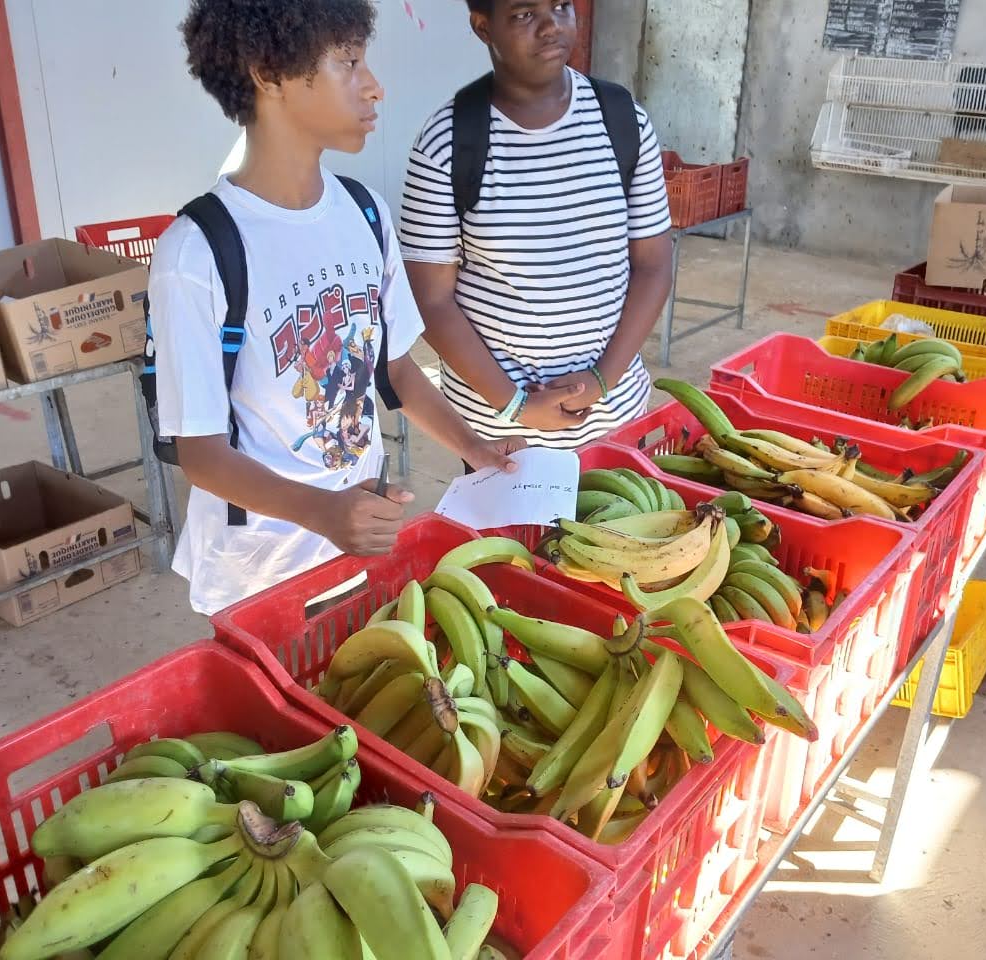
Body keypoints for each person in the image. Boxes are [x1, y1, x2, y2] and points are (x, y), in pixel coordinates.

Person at [149, 0, 522, 615]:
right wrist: (323, 512)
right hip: (259, 572)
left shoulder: (365, 213)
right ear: (268, 74)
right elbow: (202, 454)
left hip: (359, 542)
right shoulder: (197, 251)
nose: (374, 86)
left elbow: (394, 369)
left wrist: (475, 447)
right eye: (348, 63)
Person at [400, 0, 675, 452]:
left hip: (616, 423)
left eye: (561, 6)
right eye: (525, 14)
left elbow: (653, 265)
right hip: (501, 440)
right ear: (483, 27)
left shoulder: (624, 121)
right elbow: (430, 299)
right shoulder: (447, 142)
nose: (551, 27)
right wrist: (517, 406)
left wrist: (602, 379)